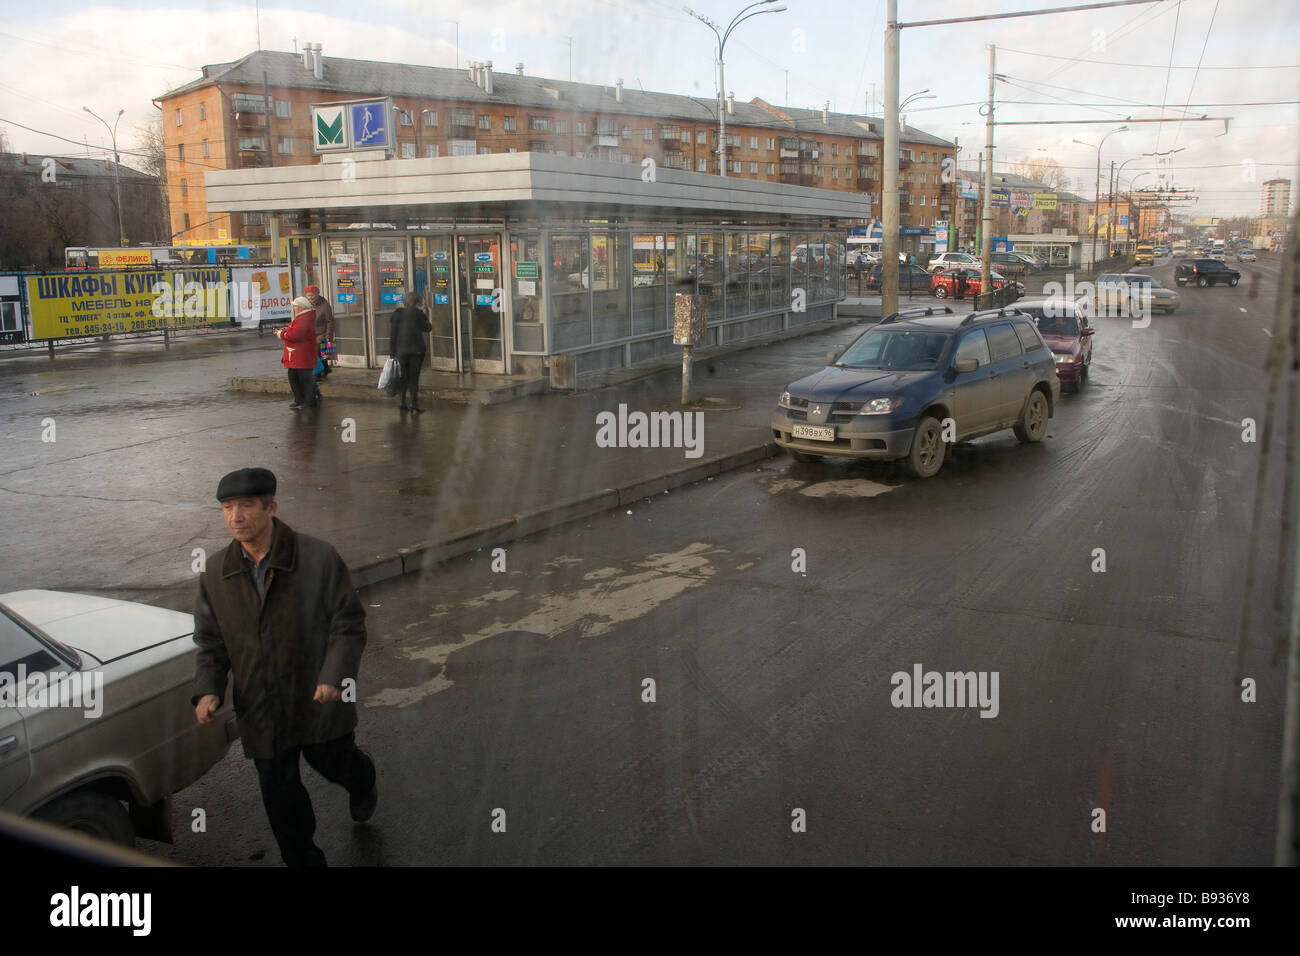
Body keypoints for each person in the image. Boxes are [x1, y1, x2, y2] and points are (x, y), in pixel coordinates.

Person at [192, 468, 377, 867]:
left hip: (316, 697)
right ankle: (304, 860)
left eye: (246, 506)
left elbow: (348, 624)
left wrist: (333, 676)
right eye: (227, 507)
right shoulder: (216, 574)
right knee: (280, 794)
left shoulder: (317, 558)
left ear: (271, 507)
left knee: (334, 763)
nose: (236, 517)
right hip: (260, 706)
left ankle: (363, 780)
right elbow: (210, 641)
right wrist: (209, 687)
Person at [388, 291, 432, 413]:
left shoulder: (397, 313)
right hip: (417, 352)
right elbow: (428, 328)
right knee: (414, 378)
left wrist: (392, 354)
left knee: (403, 376)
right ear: (416, 302)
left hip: (401, 351)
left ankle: (402, 403)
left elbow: (393, 335)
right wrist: (426, 314)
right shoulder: (418, 313)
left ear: (405, 302)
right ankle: (414, 404)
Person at [275, 297, 319, 410]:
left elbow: (295, 335)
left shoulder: (304, 319)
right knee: (295, 378)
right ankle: (300, 399)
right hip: (297, 356)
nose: (294, 308)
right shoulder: (302, 318)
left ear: (301, 307)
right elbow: (295, 331)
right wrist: (286, 330)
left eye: (295, 306)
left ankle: (309, 401)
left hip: (301, 355)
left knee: (304, 380)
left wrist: (281, 334)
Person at [304, 285, 335, 402]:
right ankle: (326, 369)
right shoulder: (307, 306)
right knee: (322, 356)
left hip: (322, 333)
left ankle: (318, 374)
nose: (310, 298)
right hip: (311, 334)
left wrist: (328, 337)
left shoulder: (325, 306)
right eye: (308, 296)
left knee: (318, 353)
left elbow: (330, 321)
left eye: (312, 295)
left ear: (317, 295)